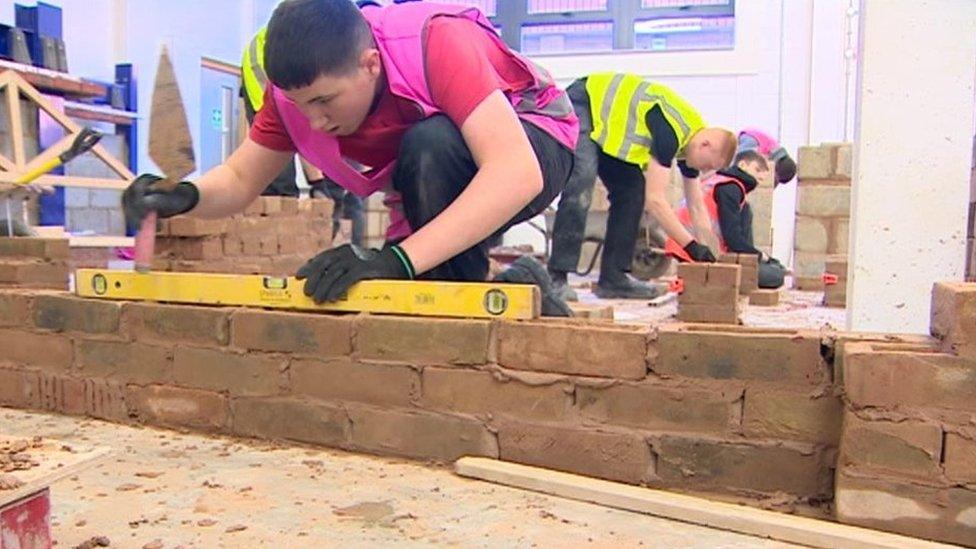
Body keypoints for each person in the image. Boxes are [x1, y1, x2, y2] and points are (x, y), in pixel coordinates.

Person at [123, 0, 579, 316]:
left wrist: (394, 262)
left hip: (537, 142)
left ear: (370, 64)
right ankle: (513, 285)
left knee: (430, 146)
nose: (314, 122)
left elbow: (516, 173)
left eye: (326, 101)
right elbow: (242, 177)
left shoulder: (434, 42)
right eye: (302, 106)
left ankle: (470, 310)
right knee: (429, 264)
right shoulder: (293, 100)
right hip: (436, 166)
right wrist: (183, 197)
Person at [547, 73, 737, 300]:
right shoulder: (671, 132)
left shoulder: (692, 138)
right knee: (582, 184)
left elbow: (696, 205)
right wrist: (691, 246)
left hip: (606, 126)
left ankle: (614, 279)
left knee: (632, 190)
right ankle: (557, 277)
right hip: (585, 102)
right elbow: (655, 200)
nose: (704, 171)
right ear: (706, 145)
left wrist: (710, 253)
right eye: (707, 165)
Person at [242, 23, 366, 246]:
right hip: (267, 83)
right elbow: (299, 132)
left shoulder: (340, 43)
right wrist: (317, 181)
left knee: (348, 187)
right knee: (279, 184)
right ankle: (273, 253)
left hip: (307, 76)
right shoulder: (269, 66)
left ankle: (349, 253)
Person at [663, 149, 788, 288]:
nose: (757, 179)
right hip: (695, 249)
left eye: (761, 179)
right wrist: (762, 257)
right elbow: (733, 239)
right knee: (776, 276)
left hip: (691, 245)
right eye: (756, 170)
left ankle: (750, 266)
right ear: (742, 165)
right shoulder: (730, 188)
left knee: (771, 269)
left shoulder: (720, 181)